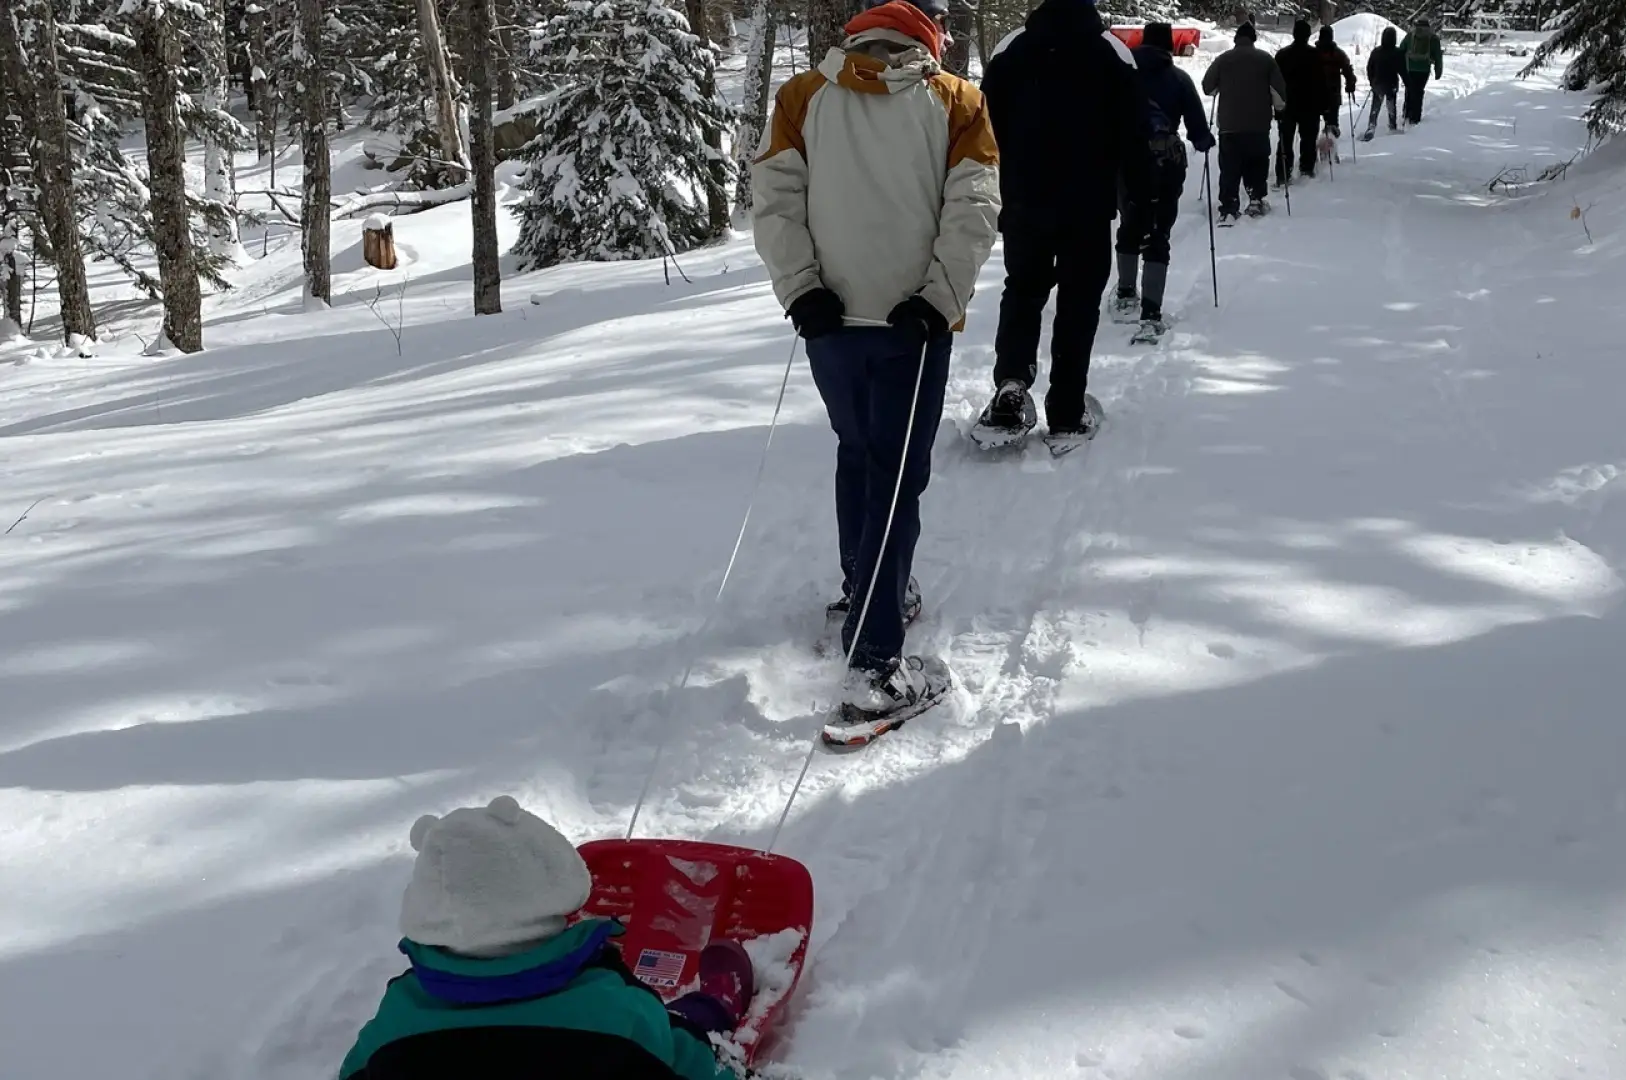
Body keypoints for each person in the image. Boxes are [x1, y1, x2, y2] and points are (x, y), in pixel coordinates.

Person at [751, 0, 1000, 721]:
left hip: (832, 321)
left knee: (859, 454)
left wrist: (801, 290)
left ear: (858, 39)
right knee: (895, 476)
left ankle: (866, 588)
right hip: (912, 324)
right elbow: (975, 206)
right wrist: (938, 297)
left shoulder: (803, 96)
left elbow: (773, 198)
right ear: (927, 43)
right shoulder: (958, 101)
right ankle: (875, 664)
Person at [339, 796, 748, 1080]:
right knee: (680, 1028)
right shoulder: (613, 1009)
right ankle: (715, 1007)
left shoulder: (396, 1019)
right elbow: (691, 1066)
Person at [979, 0, 1152, 440]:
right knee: (1078, 305)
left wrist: (995, 194)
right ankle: (1067, 408)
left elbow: (984, 128)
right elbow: (1136, 136)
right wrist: (1140, 201)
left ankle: (1012, 383)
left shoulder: (1010, 50)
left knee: (1022, 290)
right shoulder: (1113, 53)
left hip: (1023, 203)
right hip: (1088, 208)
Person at [1113, 21, 1213, 331]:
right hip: (1165, 165)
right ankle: (1151, 313)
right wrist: (1204, 140)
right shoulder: (1179, 79)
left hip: (1126, 163)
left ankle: (1126, 292)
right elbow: (1198, 129)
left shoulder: (1122, 76)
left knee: (1129, 223)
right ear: (1169, 46)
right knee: (1158, 233)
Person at [1201, 23, 1286, 222]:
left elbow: (1208, 88)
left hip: (1229, 126)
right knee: (1256, 162)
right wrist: (1279, 109)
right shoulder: (1266, 60)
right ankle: (1255, 199)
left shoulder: (1223, 60)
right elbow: (1279, 94)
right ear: (1254, 39)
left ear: (1236, 39)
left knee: (1229, 166)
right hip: (1257, 125)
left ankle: (1229, 206)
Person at [1273, 18, 1325, 183]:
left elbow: (1275, 82)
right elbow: (1322, 82)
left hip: (1287, 104)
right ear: (1308, 35)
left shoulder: (1282, 55)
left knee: (1285, 140)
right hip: (1310, 105)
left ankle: (1283, 173)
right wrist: (1325, 105)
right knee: (1308, 139)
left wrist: (1276, 105)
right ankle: (1306, 169)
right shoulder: (1315, 55)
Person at [1314, 25, 1357, 139]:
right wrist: (1350, 83)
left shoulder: (1313, 53)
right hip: (1333, 93)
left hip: (1315, 93)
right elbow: (1347, 69)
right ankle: (1331, 146)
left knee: (1313, 125)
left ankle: (1314, 148)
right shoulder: (1338, 53)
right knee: (1332, 123)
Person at [1363, 26, 1404, 139]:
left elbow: (1369, 67)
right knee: (1391, 106)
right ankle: (1392, 126)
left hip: (1378, 83)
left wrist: (1371, 81)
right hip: (1391, 84)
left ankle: (1371, 126)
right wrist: (1408, 82)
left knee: (1375, 107)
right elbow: (1402, 70)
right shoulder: (1397, 52)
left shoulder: (1376, 51)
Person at [1401, 17, 1444, 124]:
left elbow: (1401, 49)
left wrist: (1399, 66)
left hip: (1409, 68)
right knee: (1418, 92)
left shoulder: (1410, 36)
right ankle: (1415, 118)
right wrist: (1438, 70)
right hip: (1423, 69)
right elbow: (1438, 56)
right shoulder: (1433, 38)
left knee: (1409, 90)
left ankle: (1406, 114)